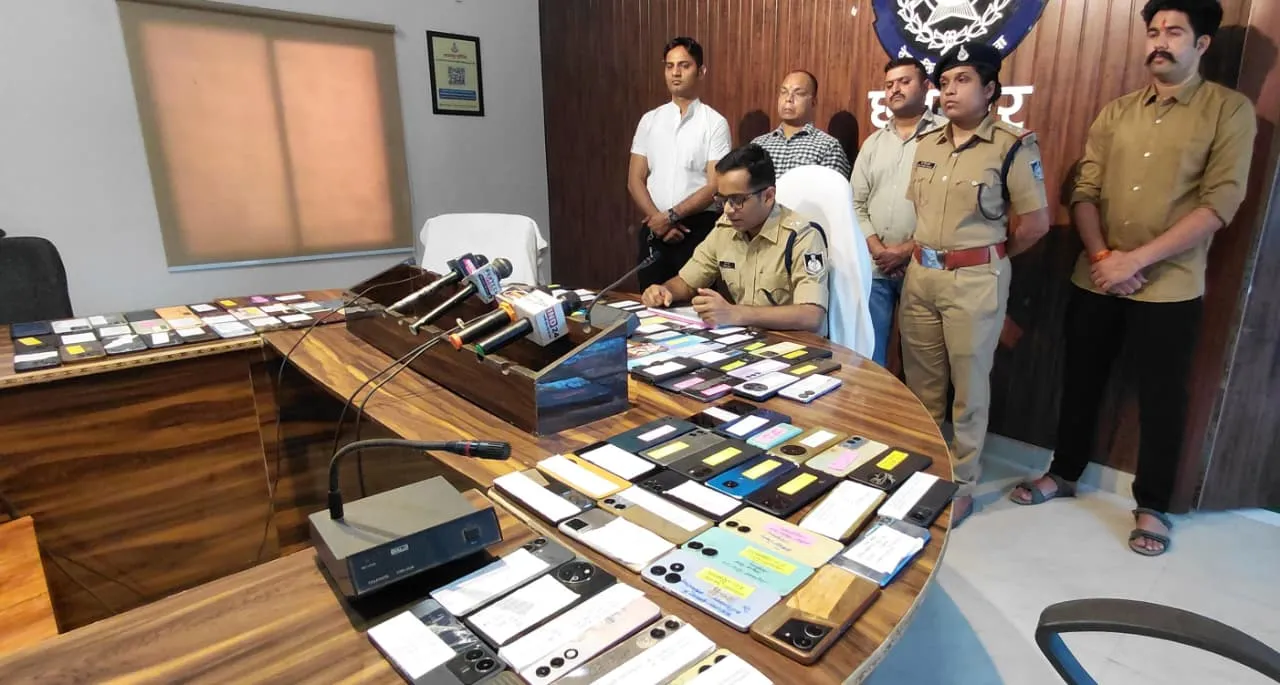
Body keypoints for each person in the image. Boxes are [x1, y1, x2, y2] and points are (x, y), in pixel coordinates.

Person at [1011, 0, 1255, 557]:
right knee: (1081, 381)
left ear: (1202, 44)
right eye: (1153, 31)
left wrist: (1135, 261)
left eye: (1174, 32)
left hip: (1170, 287)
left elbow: (1219, 204)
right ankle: (1064, 472)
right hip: (1096, 276)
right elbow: (1085, 191)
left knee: (1163, 399)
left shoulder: (1229, 111)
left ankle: (1153, 505)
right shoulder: (1116, 111)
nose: (1159, 41)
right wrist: (1105, 257)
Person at [899, 42, 1051, 526]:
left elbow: (1035, 224)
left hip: (975, 280)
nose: (949, 91)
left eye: (962, 80)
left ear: (989, 89)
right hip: (921, 276)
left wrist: (987, 258)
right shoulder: (927, 143)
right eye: (944, 83)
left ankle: (962, 483)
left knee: (969, 390)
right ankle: (926, 470)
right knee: (921, 387)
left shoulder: (1011, 145)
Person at [641, 144, 829, 334]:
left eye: (737, 200)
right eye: (722, 200)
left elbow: (811, 316)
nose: (728, 210)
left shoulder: (802, 237)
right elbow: (688, 281)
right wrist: (665, 291)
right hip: (746, 340)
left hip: (792, 343)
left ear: (768, 196)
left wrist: (736, 313)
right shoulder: (725, 230)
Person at [851, 57, 947, 366]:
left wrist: (905, 251)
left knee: (922, 360)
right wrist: (879, 250)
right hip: (875, 268)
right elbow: (855, 203)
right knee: (869, 354)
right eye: (889, 84)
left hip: (923, 266)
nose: (895, 89)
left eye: (905, 82)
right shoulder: (873, 143)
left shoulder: (947, 137)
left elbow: (950, 210)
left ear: (926, 87)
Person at [629, 36, 732, 289]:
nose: (675, 73)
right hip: (655, 227)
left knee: (696, 305)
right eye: (669, 66)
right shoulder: (650, 120)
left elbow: (714, 184)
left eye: (684, 66)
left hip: (697, 229)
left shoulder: (714, 123)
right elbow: (635, 179)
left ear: (701, 71)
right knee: (650, 302)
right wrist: (659, 220)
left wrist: (672, 216)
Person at [751, 70, 851, 179]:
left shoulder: (828, 147)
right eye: (784, 92)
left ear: (813, 102)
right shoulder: (758, 145)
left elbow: (832, 188)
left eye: (798, 93)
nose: (788, 99)